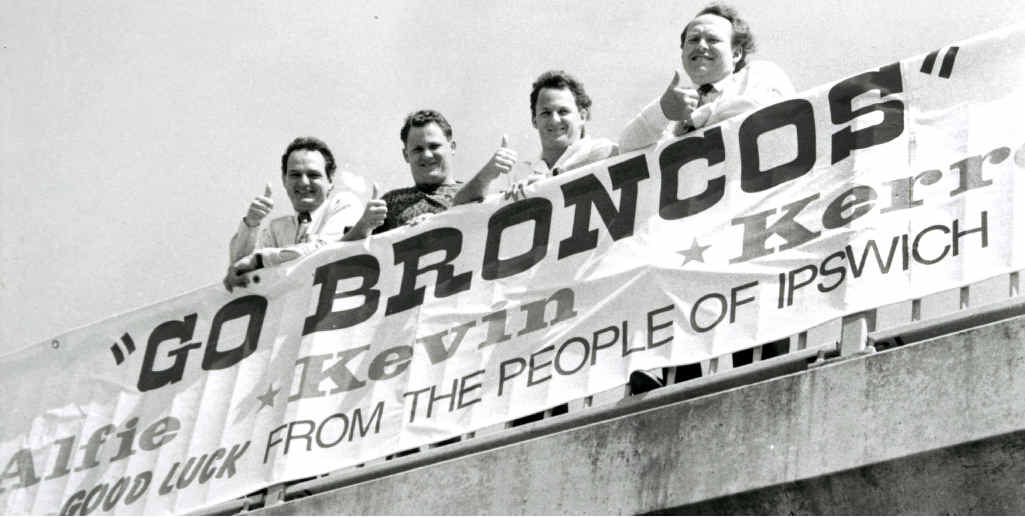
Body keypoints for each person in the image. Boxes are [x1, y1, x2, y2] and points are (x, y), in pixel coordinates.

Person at [619, 2, 795, 152]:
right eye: (693, 40)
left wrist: (698, 118)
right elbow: (626, 149)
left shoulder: (760, 73)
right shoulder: (676, 105)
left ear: (736, 54)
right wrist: (663, 111)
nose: (701, 46)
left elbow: (774, 109)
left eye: (712, 39)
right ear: (683, 53)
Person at [223, 136, 386, 291]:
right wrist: (251, 223)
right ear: (284, 180)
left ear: (330, 181)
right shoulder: (276, 228)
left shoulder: (343, 204)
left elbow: (325, 251)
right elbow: (240, 270)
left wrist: (261, 259)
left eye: (313, 175)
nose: (303, 182)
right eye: (295, 175)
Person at [455, 70, 617, 203]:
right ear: (534, 121)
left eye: (563, 111)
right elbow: (457, 209)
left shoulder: (601, 151)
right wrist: (487, 173)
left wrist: (546, 182)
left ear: (582, 116)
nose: (554, 120)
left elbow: (614, 154)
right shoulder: (519, 174)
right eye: (546, 113)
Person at [374, 110, 467, 233]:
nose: (427, 155)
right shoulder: (389, 203)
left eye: (434, 146)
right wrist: (363, 226)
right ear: (406, 155)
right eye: (418, 149)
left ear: (452, 147)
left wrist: (436, 223)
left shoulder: (477, 196)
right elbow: (345, 248)